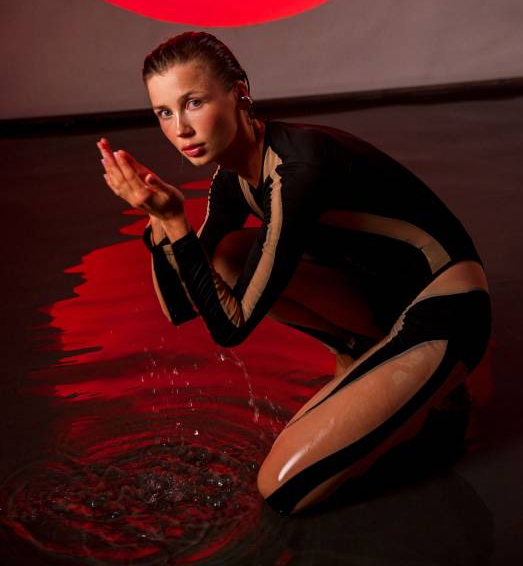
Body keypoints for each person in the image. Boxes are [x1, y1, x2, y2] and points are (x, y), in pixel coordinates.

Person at [97, 31, 491, 515]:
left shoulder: (297, 171)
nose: (180, 128)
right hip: (382, 300)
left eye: (193, 103)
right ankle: (364, 354)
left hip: (446, 307)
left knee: (281, 487)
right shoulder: (232, 177)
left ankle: (433, 403)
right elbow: (182, 307)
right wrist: (157, 219)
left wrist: (177, 221)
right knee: (226, 256)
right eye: (163, 112)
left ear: (239, 93)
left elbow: (232, 328)